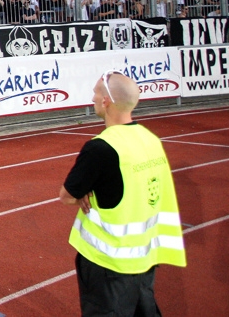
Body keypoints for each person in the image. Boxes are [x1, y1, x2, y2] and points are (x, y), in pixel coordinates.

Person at [59, 71, 186, 317]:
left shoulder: (101, 147)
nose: (93, 98)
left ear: (106, 101)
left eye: (96, 92)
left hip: (108, 262)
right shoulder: (151, 140)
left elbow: (67, 195)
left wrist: (85, 191)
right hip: (144, 256)